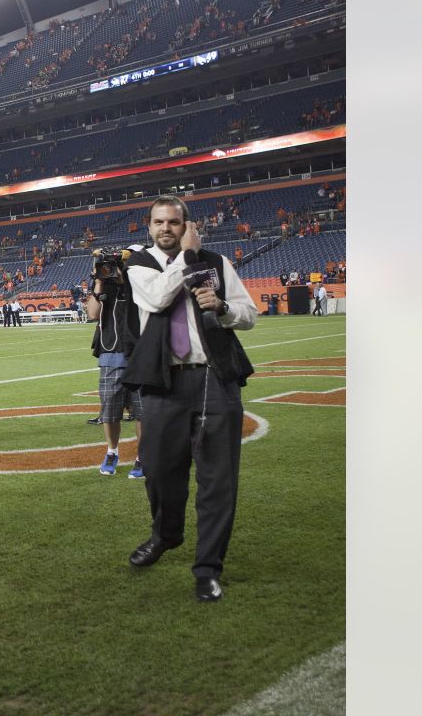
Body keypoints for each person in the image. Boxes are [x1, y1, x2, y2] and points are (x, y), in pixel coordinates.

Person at [121, 195, 257, 603]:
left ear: (187, 224)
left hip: (215, 379)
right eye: (159, 222)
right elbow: (160, 298)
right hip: (165, 382)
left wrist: (224, 307)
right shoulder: (138, 265)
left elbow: (249, 312)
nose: (166, 228)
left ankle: (208, 568)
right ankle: (166, 534)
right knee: (160, 472)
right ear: (149, 227)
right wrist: (188, 255)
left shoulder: (216, 263)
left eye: (174, 222)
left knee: (218, 481)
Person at [84, 251, 144, 478]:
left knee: (142, 412)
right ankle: (112, 452)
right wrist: (98, 281)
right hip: (110, 355)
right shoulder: (104, 287)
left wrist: (122, 279)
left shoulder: (138, 283)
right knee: (109, 411)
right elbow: (92, 313)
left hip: (139, 355)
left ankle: (142, 457)